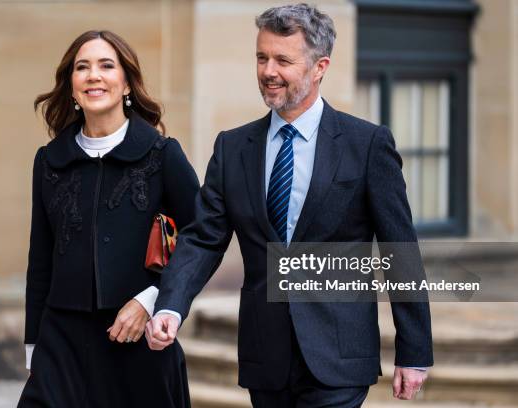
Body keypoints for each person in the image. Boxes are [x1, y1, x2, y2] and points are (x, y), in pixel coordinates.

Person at [146, 4, 433, 408]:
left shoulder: (367, 144)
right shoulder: (232, 147)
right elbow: (204, 238)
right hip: (266, 355)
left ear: (319, 67)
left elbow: (399, 251)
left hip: (339, 355)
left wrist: (415, 350)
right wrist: (172, 306)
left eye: (283, 59)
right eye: (262, 57)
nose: (268, 71)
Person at [17, 30, 199, 407]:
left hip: (137, 344)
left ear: (127, 83)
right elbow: (41, 259)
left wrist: (152, 300)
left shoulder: (162, 155)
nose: (93, 75)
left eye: (106, 65)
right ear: (71, 87)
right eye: (82, 67)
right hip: (61, 345)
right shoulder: (49, 161)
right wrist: (33, 346)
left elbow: (201, 238)